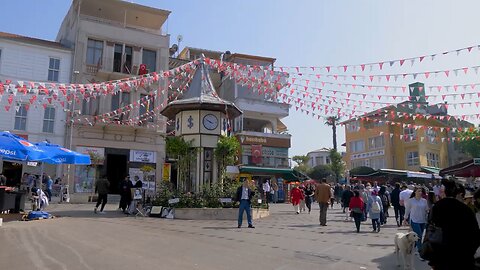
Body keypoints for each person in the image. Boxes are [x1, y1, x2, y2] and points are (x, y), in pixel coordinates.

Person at [428, 179, 480, 270]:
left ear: (444, 193)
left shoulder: (436, 207)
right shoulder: (465, 209)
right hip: (463, 259)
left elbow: (431, 231)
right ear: (458, 194)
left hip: (441, 258)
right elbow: (475, 235)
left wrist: (433, 258)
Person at [404, 187, 428, 253]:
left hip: (422, 220)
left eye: (421, 191)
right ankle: (420, 251)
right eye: (418, 191)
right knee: (419, 235)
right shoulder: (411, 200)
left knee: (419, 236)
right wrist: (405, 219)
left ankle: (412, 247)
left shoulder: (424, 201)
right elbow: (407, 210)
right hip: (414, 220)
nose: (420, 193)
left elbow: (426, 210)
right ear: (415, 192)